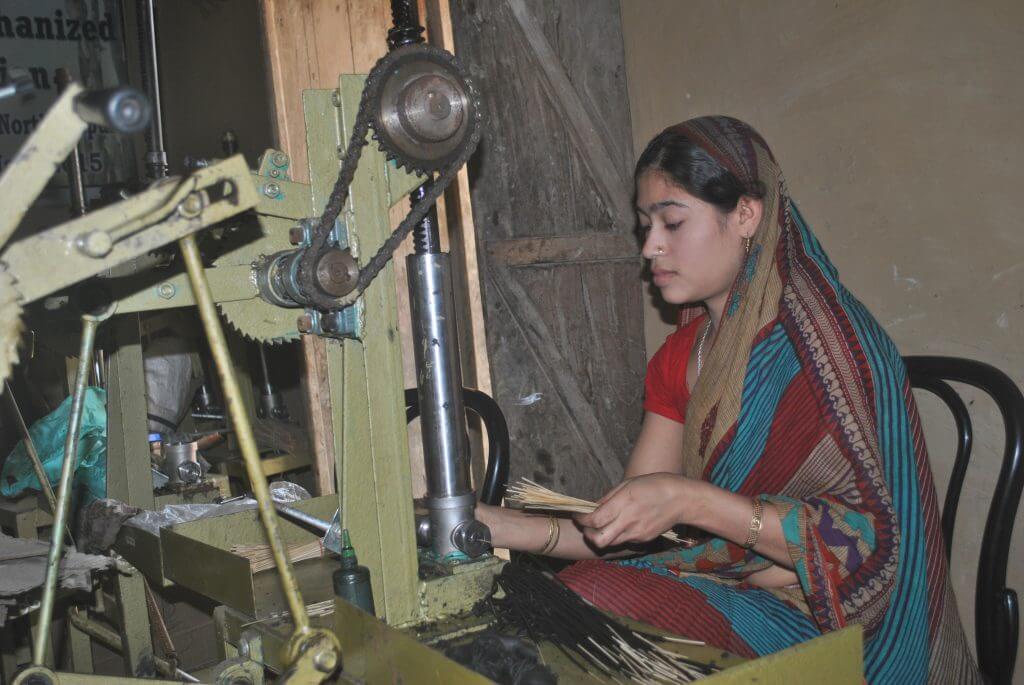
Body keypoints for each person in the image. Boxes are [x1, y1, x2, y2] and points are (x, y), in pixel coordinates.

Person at [476, 116, 980, 683]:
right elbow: (628, 532)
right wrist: (498, 526)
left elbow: (869, 549)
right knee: (568, 606)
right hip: (733, 590)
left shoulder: (832, 350)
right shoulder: (680, 357)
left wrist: (691, 502)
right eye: (645, 226)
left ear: (745, 215)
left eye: (672, 222)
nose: (651, 247)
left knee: (595, 614)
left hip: (844, 627)